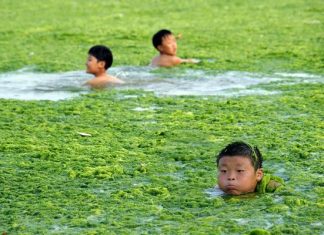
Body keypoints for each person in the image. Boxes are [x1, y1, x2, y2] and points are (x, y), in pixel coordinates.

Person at [216, 141, 284, 195]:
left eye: (239, 171)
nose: (230, 177)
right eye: (224, 171)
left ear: (258, 175)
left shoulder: (272, 186)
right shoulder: (218, 189)